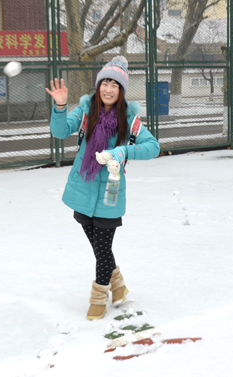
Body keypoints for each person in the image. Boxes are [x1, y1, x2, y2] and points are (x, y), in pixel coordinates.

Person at [45, 56, 160, 320]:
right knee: (101, 248)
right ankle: (119, 287)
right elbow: (60, 131)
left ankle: (99, 296)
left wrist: (122, 151)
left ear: (121, 91)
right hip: (83, 189)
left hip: (110, 193)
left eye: (115, 85)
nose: (109, 89)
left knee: (102, 246)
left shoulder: (129, 120)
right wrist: (61, 105)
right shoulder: (86, 111)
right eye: (105, 83)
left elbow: (153, 146)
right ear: (98, 86)